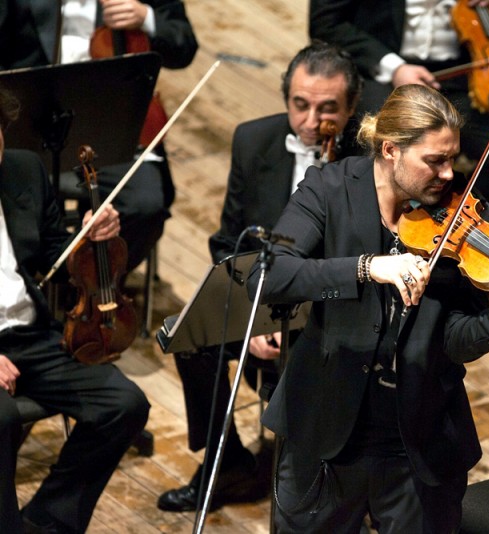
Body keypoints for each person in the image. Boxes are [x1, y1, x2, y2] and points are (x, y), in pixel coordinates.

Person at [251, 83, 489, 532]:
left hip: (417, 435)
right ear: (391, 150)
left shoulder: (463, 219)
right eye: (434, 160)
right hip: (325, 427)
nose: (449, 174)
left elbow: (455, 340)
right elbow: (272, 275)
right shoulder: (329, 189)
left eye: (452, 158)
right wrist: (367, 267)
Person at [156, 41, 363, 513]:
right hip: (266, 297)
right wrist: (256, 317)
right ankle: (227, 463)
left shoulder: (369, 159)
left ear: (351, 108)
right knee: (187, 337)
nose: (312, 122)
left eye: (328, 109)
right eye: (300, 105)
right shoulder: (254, 140)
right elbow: (229, 242)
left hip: (336, 308)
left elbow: (363, 261)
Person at [0, 86, 150, 534]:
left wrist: (85, 242)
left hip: (29, 333)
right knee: (3, 419)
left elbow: (51, 256)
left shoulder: (22, 169)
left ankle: (48, 524)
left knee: (124, 404)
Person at [0, 0, 199, 272]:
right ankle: (28, 287)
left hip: (109, 129)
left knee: (146, 204)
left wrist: (146, 18)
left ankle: (91, 291)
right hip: (27, 131)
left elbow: (184, 44)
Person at [309, 0, 489, 211]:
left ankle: (444, 222)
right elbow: (326, 24)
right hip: (383, 71)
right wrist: (395, 67)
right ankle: (366, 225)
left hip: (461, 76)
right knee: (382, 146)